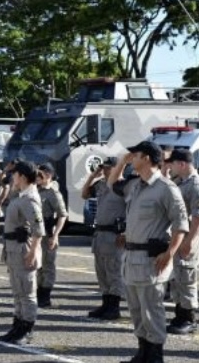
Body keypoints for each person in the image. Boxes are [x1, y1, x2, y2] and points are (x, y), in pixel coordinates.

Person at [108, 141, 189, 362]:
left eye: (134, 155)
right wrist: (122, 163)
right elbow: (111, 183)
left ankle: (154, 357)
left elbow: (181, 224)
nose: (131, 158)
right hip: (131, 258)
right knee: (136, 311)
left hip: (152, 260)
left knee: (152, 311)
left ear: (146, 158)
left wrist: (170, 254)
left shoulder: (166, 188)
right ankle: (142, 353)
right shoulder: (135, 185)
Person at [0, 160, 45, 345]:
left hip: (23, 249)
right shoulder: (21, 195)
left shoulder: (29, 199)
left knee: (26, 292)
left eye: (15, 175)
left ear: (23, 177)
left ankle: (26, 328)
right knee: (18, 291)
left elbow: (38, 229)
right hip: (13, 248)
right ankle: (18, 325)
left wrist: (33, 252)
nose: (13, 177)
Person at [81, 157, 127, 320]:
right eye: (104, 168)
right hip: (100, 234)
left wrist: (126, 231)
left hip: (115, 235)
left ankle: (114, 308)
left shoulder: (123, 186)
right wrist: (92, 177)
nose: (105, 171)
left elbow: (132, 209)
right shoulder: (101, 184)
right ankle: (106, 304)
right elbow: (84, 194)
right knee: (101, 272)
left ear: (117, 168)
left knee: (114, 271)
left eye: (108, 168)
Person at [164, 149, 199, 335]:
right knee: (178, 277)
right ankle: (180, 314)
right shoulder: (180, 182)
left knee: (187, 278)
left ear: (182, 164)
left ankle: (190, 318)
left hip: (189, 239)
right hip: (179, 237)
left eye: (173, 163)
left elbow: (197, 218)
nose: (170, 166)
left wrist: (190, 242)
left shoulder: (195, 185)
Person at [35, 163, 68, 308]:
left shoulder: (53, 193)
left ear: (48, 175)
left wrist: (54, 236)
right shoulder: (35, 190)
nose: (37, 177)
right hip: (36, 234)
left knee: (48, 267)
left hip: (47, 234)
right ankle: (38, 293)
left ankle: (45, 296)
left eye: (40, 174)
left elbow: (62, 215)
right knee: (37, 266)